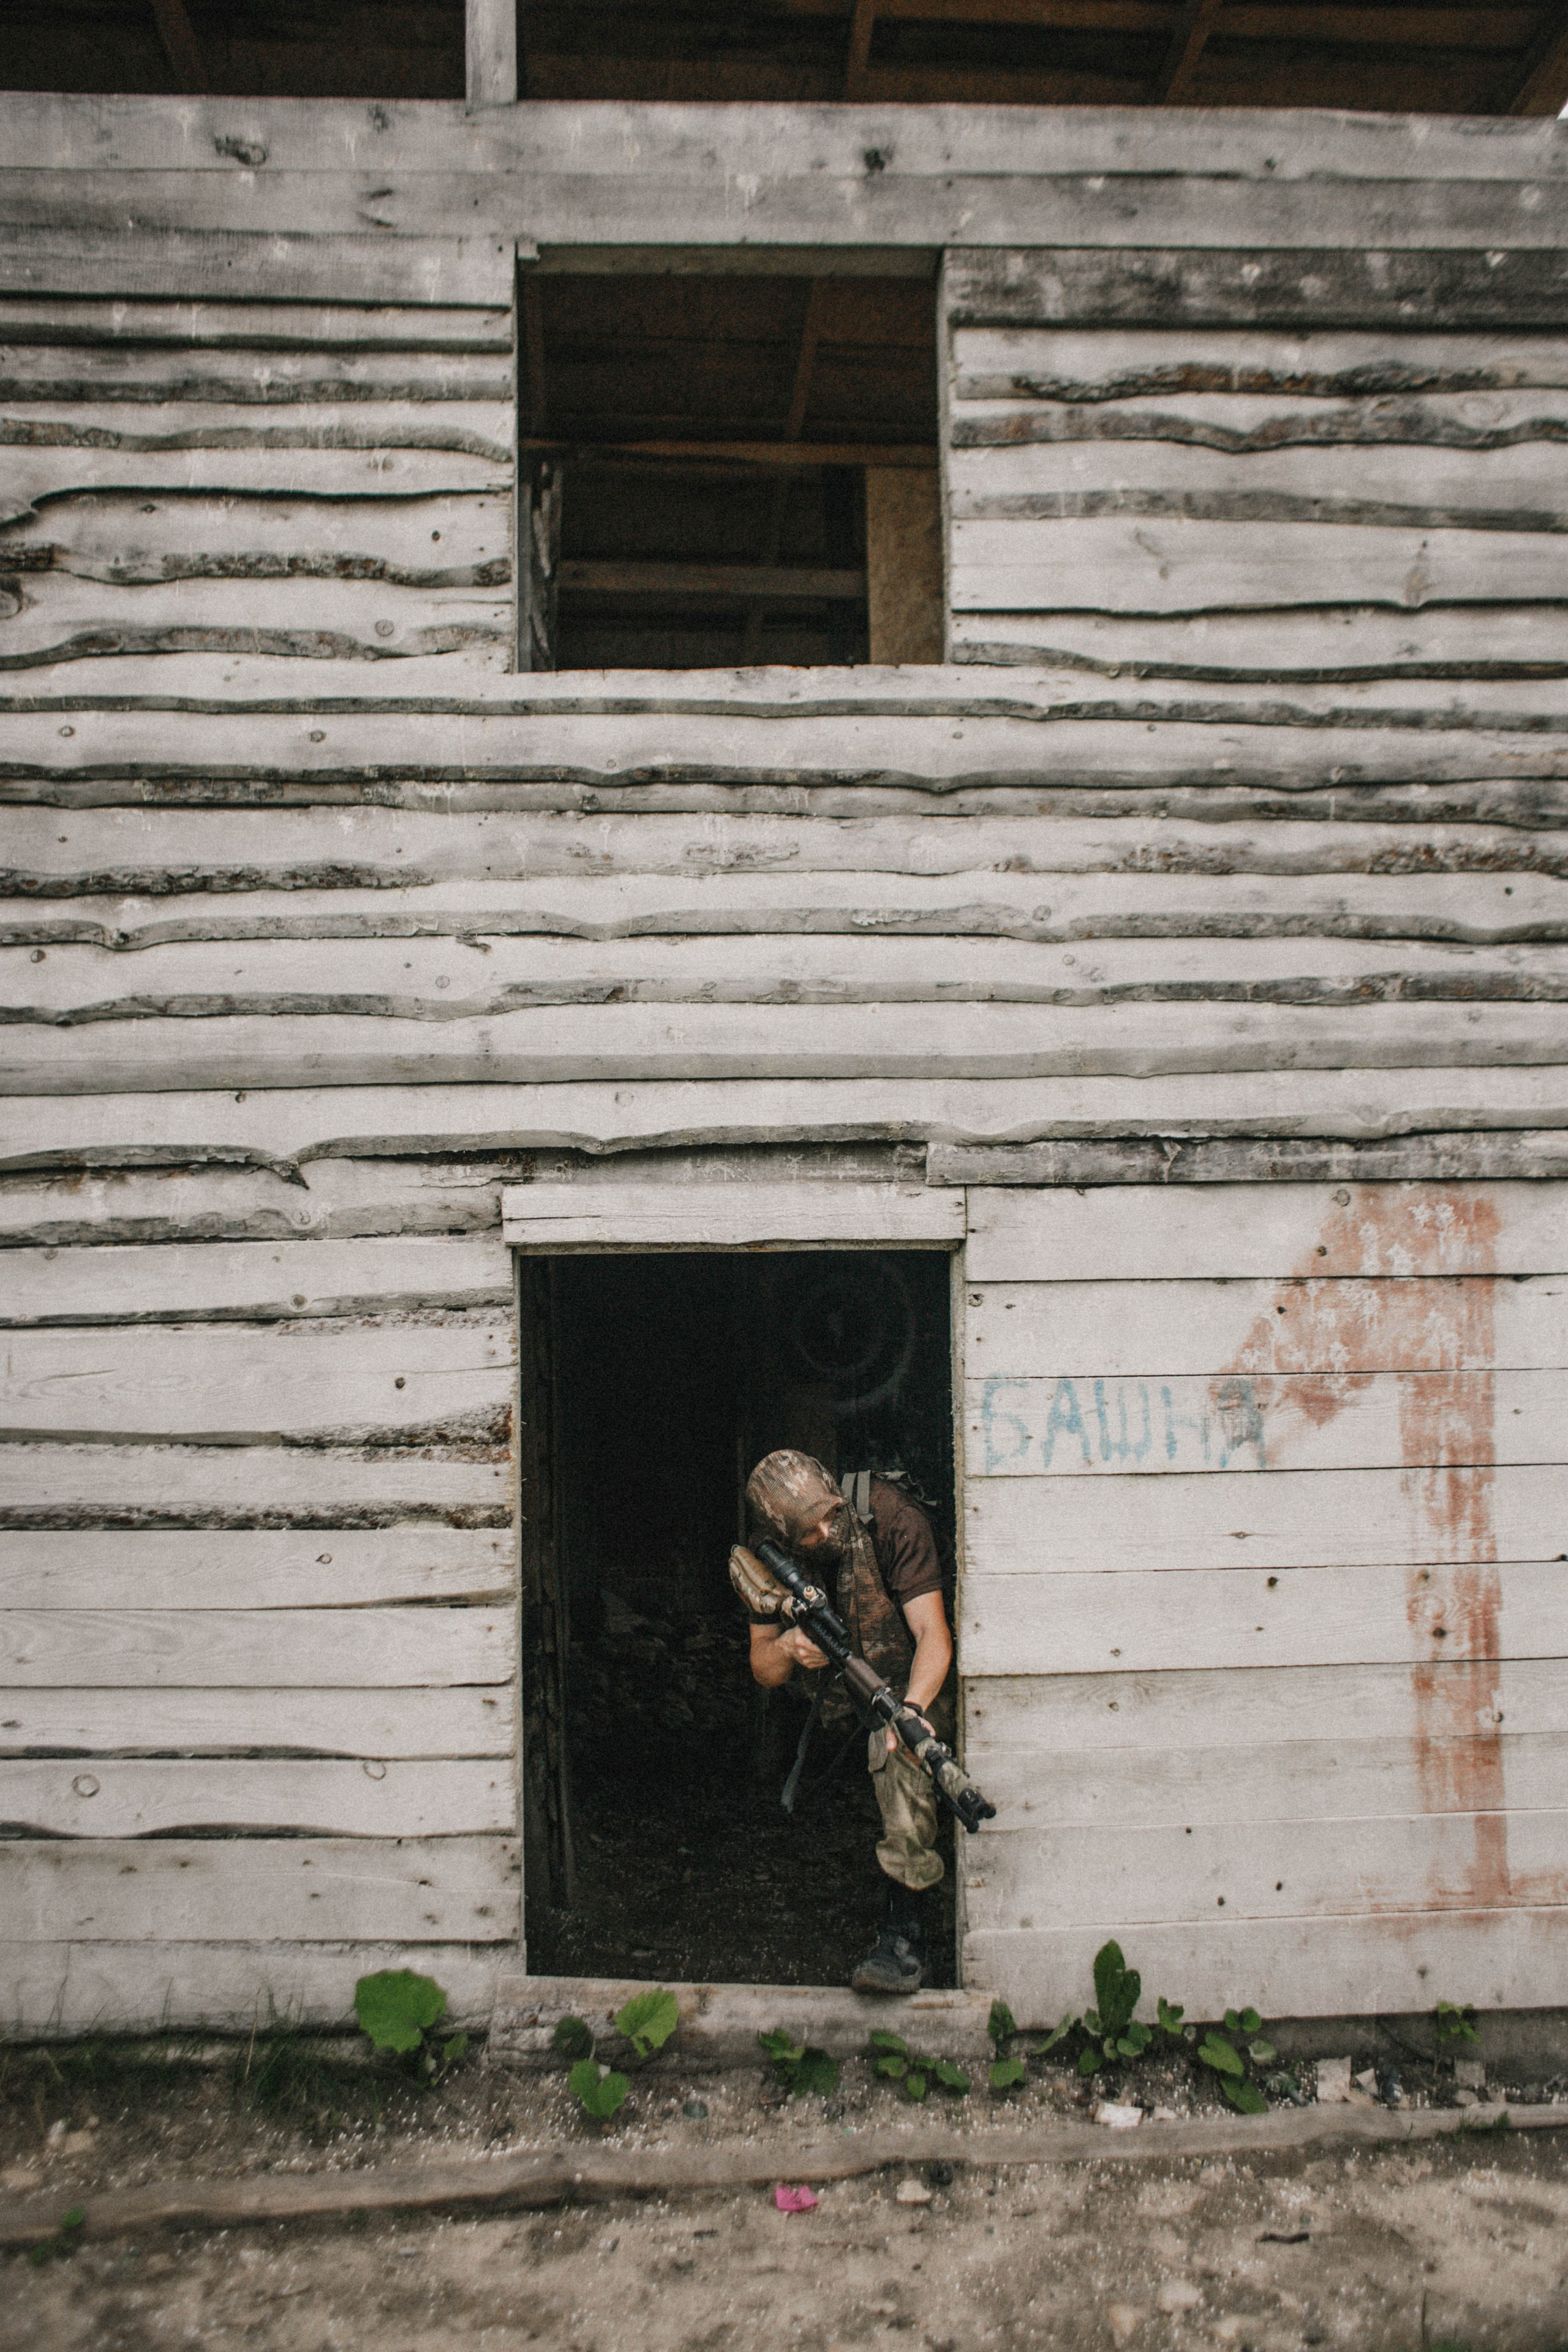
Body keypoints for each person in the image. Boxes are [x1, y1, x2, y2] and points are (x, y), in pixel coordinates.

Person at [744, 1448, 954, 1993]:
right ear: (783, 1536)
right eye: (809, 1531)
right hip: (840, 1699)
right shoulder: (765, 1558)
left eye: (831, 1514)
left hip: (916, 1680)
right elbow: (762, 1667)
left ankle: (904, 1932)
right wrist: (789, 1647)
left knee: (899, 1749)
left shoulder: (891, 1517)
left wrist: (912, 1712)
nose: (826, 1531)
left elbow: (934, 1634)